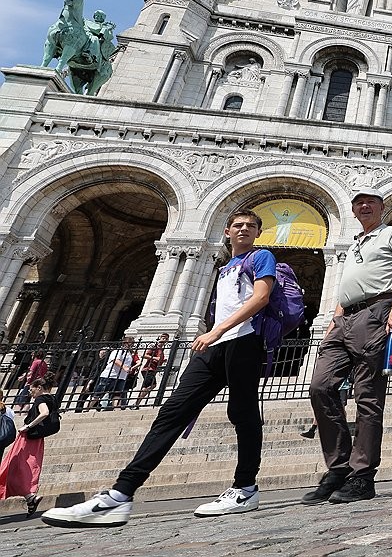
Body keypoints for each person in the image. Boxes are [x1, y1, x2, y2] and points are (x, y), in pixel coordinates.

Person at [43, 209, 277, 527]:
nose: (244, 229)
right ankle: (121, 494)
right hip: (214, 347)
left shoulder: (261, 256)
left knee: (243, 414)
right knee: (172, 413)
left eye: (251, 226)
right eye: (238, 225)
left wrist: (216, 330)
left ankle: (245, 488)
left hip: (244, 343)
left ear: (258, 233)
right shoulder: (224, 267)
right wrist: (212, 334)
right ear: (227, 231)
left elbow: (261, 297)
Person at [305, 187, 392, 505]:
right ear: (352, 210)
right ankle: (338, 468)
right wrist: (333, 323)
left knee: (368, 399)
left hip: (377, 312)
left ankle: (362, 476)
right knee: (320, 387)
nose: (364, 205)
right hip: (344, 319)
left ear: (382, 207)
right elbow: (346, 289)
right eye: (358, 202)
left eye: (370, 201)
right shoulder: (354, 244)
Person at [0, 377, 57, 516]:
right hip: (37, 439)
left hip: (28, 438)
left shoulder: (40, 400)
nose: (30, 392)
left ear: (39, 387)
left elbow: (44, 413)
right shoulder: (52, 399)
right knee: (20, 469)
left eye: (31, 389)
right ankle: (30, 498)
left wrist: (28, 426)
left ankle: (30, 497)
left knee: (11, 467)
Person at [91, 337, 135, 411]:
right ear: (125, 343)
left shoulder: (129, 353)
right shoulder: (118, 351)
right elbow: (115, 360)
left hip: (122, 377)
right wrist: (124, 367)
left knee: (117, 394)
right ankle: (87, 408)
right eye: (131, 343)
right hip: (110, 375)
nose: (132, 345)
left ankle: (116, 409)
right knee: (99, 393)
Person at [134, 334, 171, 408]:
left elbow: (158, 360)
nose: (164, 340)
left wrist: (162, 360)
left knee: (148, 386)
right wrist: (155, 358)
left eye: (166, 339)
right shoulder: (155, 346)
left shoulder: (161, 350)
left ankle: (137, 403)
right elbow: (144, 355)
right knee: (151, 385)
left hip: (153, 370)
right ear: (159, 338)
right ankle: (136, 402)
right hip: (148, 369)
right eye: (163, 338)